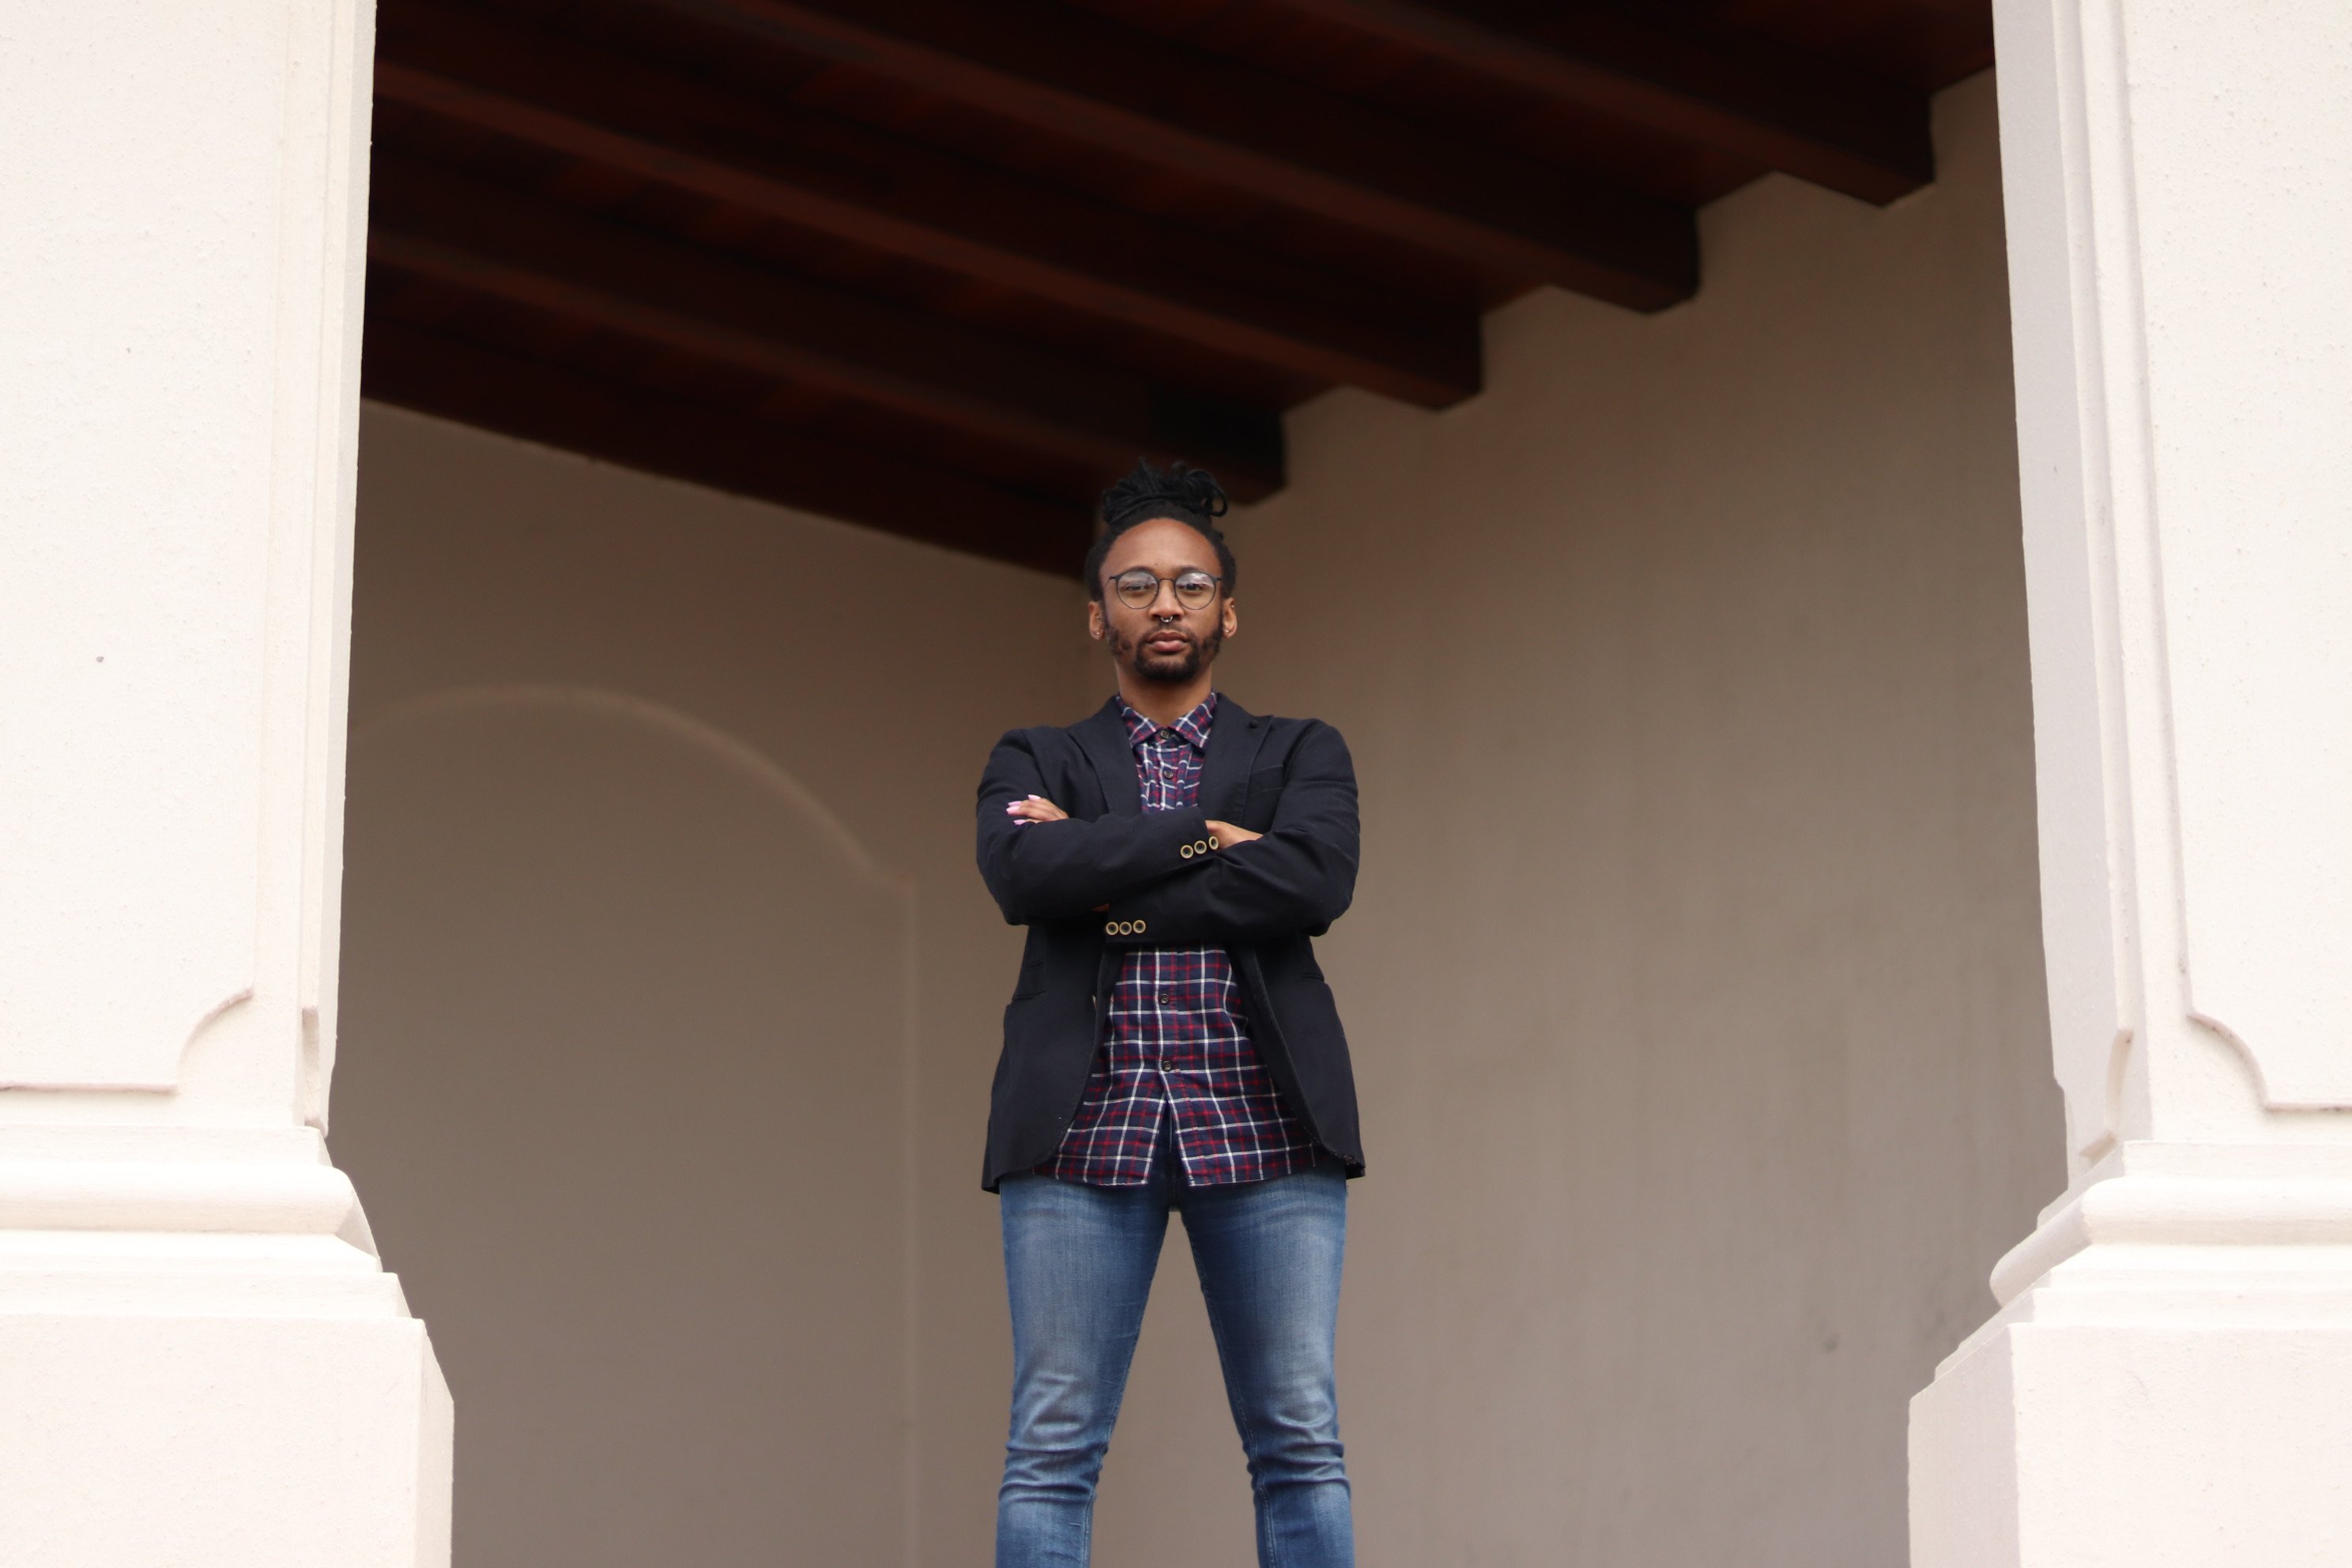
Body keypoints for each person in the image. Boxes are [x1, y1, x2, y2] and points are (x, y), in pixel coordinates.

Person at [973, 460, 1365, 1568]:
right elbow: (1022, 879)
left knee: (1300, 1442)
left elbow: (1314, 884)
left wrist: (1104, 880)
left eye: (1191, 586)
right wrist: (1206, 836)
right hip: (1080, 1134)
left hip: (1269, 1129)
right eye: (1137, 585)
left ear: (1227, 612)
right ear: (1097, 611)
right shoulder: (1034, 755)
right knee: (1051, 1450)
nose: (1165, 606)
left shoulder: (1301, 750)